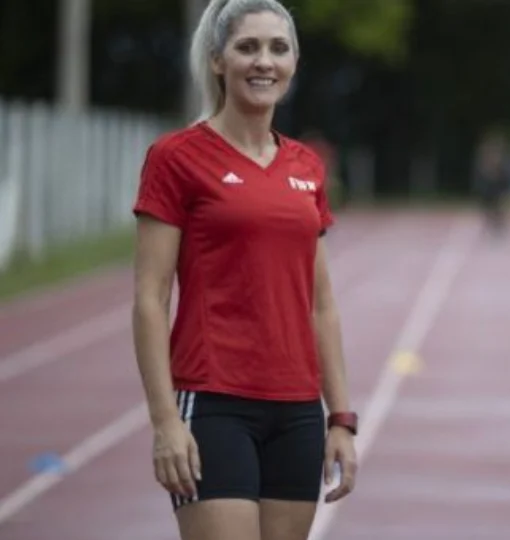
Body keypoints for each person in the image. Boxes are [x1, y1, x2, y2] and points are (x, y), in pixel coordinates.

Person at [130, 1, 358, 539]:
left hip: (297, 411)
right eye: (247, 47)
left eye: (278, 48)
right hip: (213, 403)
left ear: (294, 63)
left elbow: (321, 305)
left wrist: (341, 419)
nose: (264, 61)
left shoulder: (306, 166)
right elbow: (150, 298)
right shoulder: (176, 158)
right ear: (218, 60)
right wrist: (164, 421)